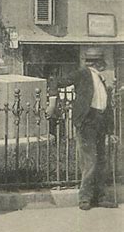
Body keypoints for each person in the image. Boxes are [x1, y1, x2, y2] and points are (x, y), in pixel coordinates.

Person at [48, 46, 118, 210]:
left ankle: (100, 197)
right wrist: (52, 103)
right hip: (87, 123)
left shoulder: (101, 80)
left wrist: (111, 131)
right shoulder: (82, 74)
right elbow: (55, 82)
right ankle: (85, 199)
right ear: (97, 63)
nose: (104, 65)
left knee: (101, 161)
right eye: (102, 62)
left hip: (99, 122)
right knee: (90, 162)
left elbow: (106, 107)